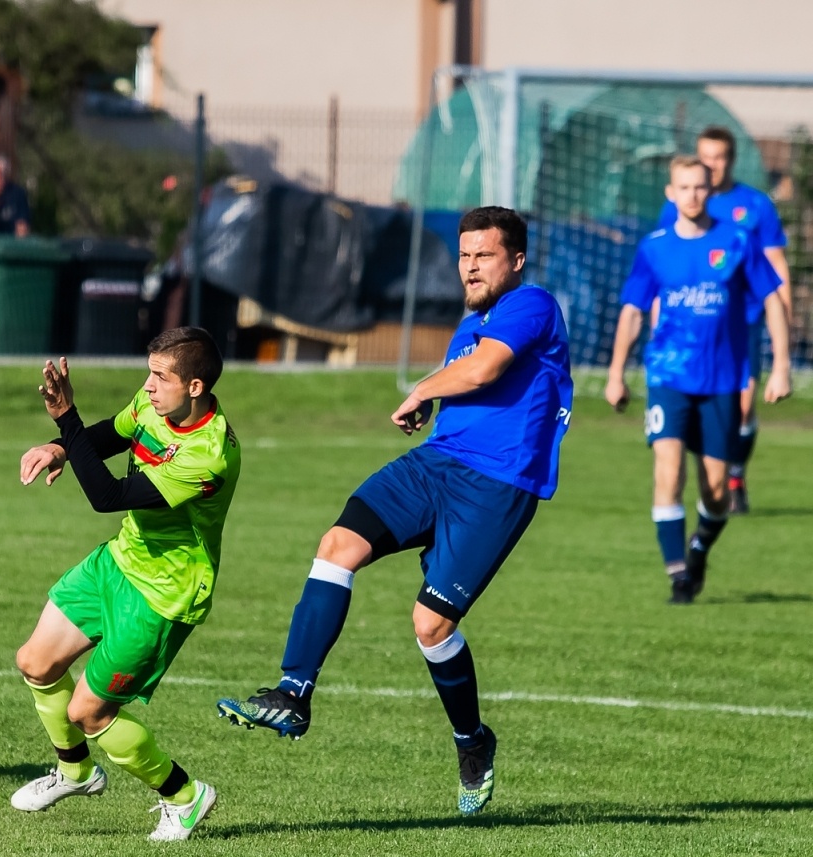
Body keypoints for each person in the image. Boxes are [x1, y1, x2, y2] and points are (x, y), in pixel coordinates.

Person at [214, 207, 571, 817]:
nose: (470, 267)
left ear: (516, 260)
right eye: (464, 255)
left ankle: (472, 741)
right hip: (434, 465)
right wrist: (432, 397)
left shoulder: (532, 304)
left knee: (431, 626)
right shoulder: (474, 322)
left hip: (497, 483)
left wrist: (422, 389)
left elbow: (485, 369)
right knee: (337, 546)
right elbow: (464, 369)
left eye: (483, 256)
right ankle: (293, 693)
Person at [13, 328, 239, 841]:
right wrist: (60, 447)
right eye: (149, 372)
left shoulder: (208, 456)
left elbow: (109, 497)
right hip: (118, 561)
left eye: (161, 377)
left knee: (89, 713)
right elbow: (111, 436)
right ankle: (75, 772)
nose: (149, 385)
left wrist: (65, 420)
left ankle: (184, 796)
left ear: (196, 386)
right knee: (36, 662)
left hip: (163, 594)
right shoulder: (153, 403)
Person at [608, 156, 791, 603]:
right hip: (668, 374)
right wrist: (616, 374)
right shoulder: (654, 247)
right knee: (668, 470)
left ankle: (700, 548)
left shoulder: (737, 240)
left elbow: (772, 300)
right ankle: (679, 575)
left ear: (711, 191)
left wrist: (782, 366)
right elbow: (632, 311)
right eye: (684, 187)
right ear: (670, 193)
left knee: (716, 491)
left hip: (722, 381)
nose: (692, 195)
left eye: (700, 187)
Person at [657, 126, 791, 513]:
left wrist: (783, 317)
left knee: (744, 406)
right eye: (705, 157)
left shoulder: (755, 205)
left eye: (718, 157)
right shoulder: (681, 202)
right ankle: (707, 477)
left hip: (742, 320)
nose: (711, 165)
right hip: (691, 327)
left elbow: (776, 264)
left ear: (731, 160)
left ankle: (734, 476)